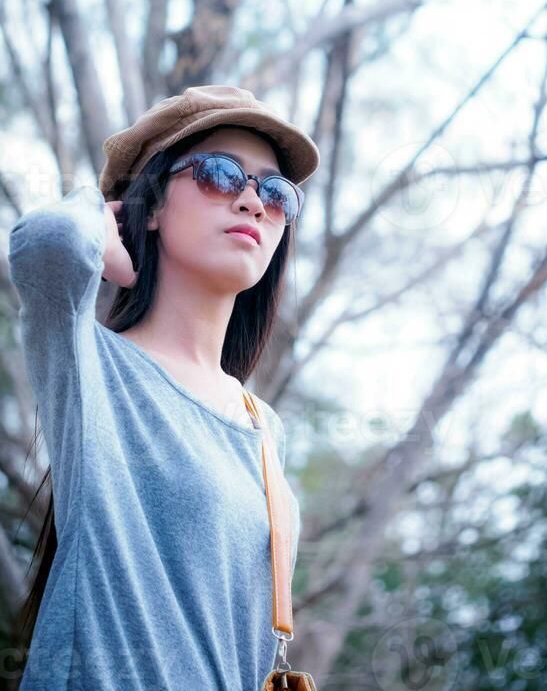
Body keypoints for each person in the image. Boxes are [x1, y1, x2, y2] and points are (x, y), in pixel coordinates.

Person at [8, 84, 320, 690]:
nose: (255, 203)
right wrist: (106, 220)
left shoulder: (264, 427)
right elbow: (47, 242)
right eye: (220, 174)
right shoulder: (92, 366)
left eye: (277, 191)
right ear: (149, 204)